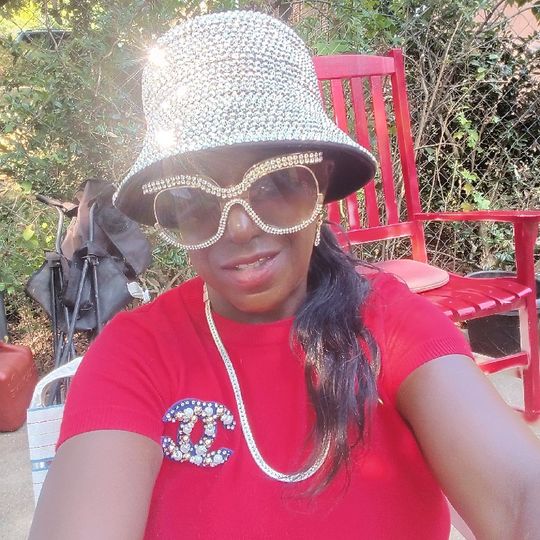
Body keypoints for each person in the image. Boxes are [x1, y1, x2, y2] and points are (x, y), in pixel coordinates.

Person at [29, 10, 540, 540]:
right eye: (194, 196)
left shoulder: (389, 323)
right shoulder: (137, 353)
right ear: (171, 214)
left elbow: (522, 496)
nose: (241, 227)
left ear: (319, 184)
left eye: (275, 182)